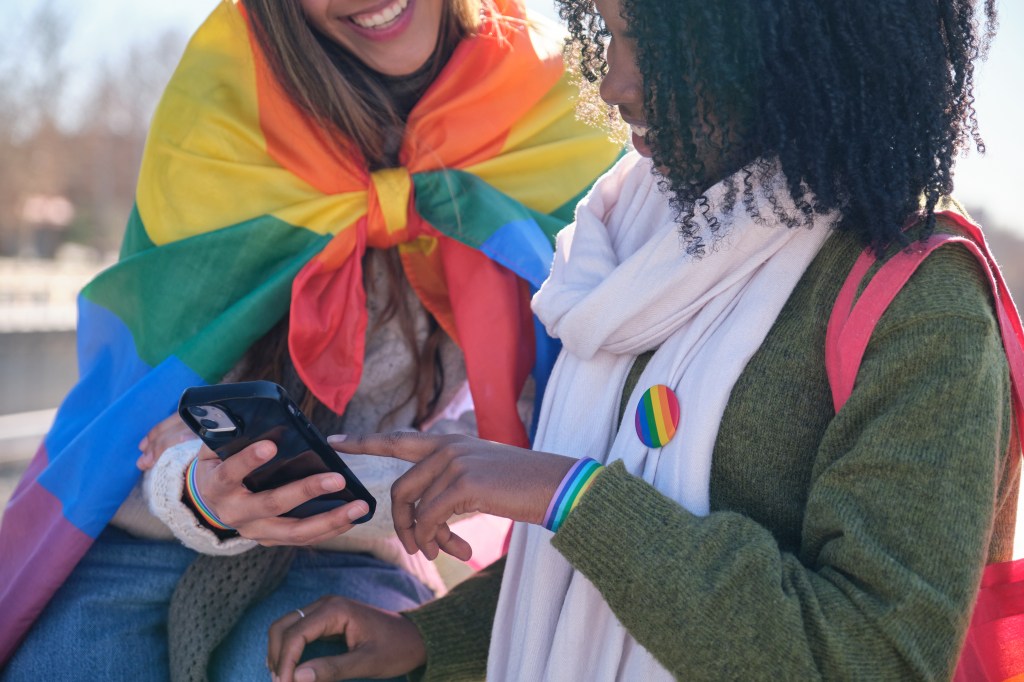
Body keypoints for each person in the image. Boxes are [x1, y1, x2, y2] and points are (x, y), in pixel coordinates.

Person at [262, 0, 1022, 680]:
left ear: (790, 39)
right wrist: (429, 638)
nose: (614, 84)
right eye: (608, 33)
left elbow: (872, 656)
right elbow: (595, 581)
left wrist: (565, 491)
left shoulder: (924, 306)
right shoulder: (634, 231)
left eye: (654, 49)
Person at [0, 0, 621, 678]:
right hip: (138, 532)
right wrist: (199, 489)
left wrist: (360, 484)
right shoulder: (220, 99)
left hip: (351, 544)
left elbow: (550, 424)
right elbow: (143, 401)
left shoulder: (563, 109)